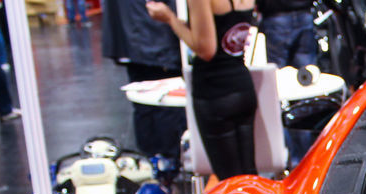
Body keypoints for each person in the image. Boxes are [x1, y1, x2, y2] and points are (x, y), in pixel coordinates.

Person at [147, 0, 258, 179]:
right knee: (249, 177)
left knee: (229, 181)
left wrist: (170, 19)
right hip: (242, 86)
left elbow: (206, 49)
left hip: (214, 91)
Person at [102, 0, 186, 161]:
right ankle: (166, 162)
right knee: (165, 106)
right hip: (156, 42)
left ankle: (154, 161)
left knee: (146, 107)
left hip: (136, 41)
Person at [257, 0, 314, 161]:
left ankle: (292, 158)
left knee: (278, 89)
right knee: (305, 89)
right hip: (303, 14)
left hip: (277, 17)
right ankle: (306, 157)